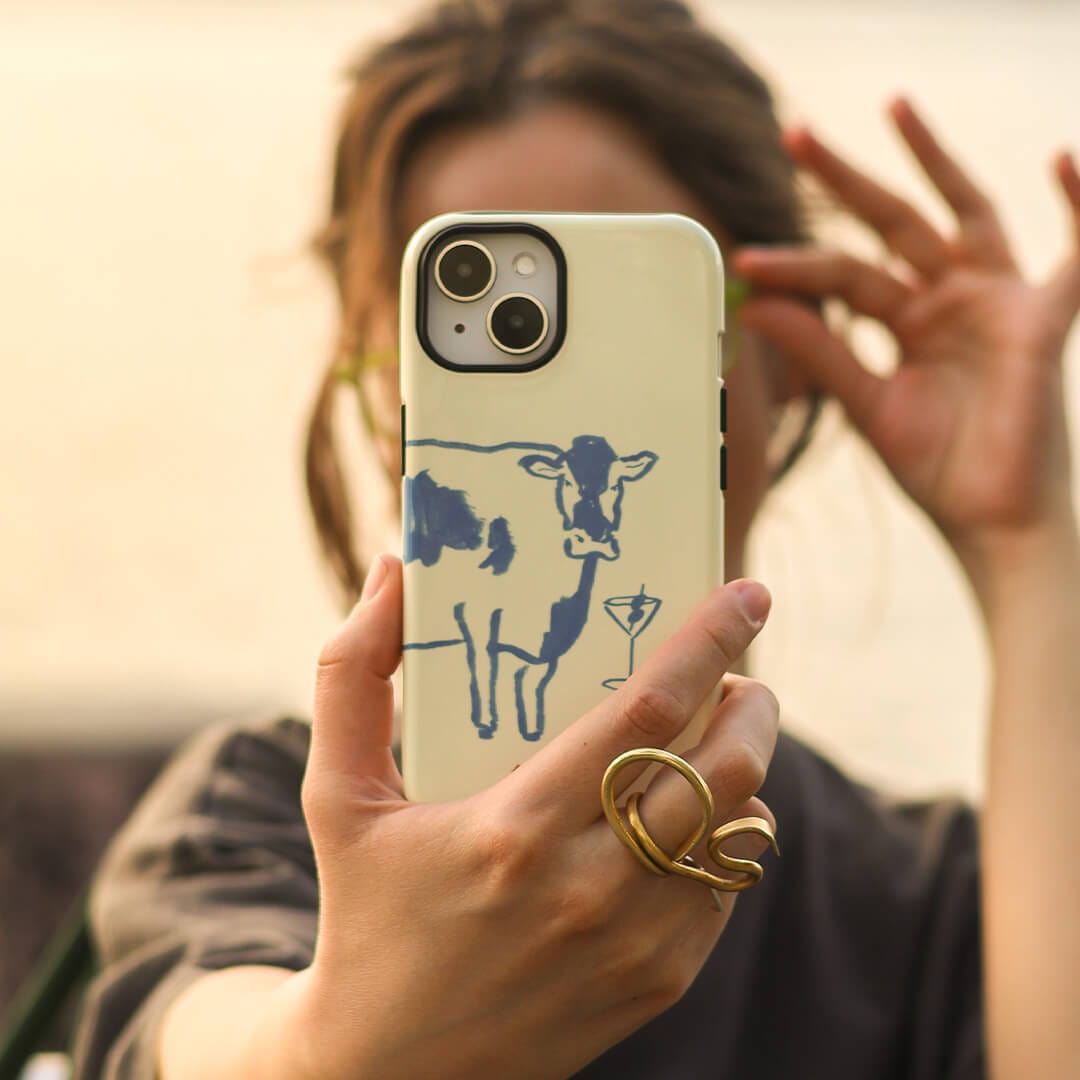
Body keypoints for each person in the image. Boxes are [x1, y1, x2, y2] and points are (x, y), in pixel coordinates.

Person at [71, 1, 1080, 1077]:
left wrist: (1027, 548)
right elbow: (212, 1043)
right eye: (464, 357)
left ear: (783, 360)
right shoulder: (251, 825)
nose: (566, 417)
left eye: (632, 326)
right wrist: (349, 1039)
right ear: (388, 411)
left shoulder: (922, 908)